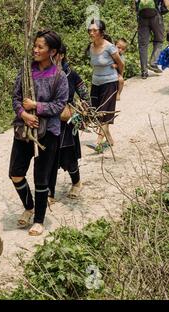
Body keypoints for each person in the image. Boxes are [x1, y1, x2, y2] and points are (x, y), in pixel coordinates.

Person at [10, 30, 69, 236]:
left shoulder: (59, 77)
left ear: (51, 51)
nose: (35, 50)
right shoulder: (26, 71)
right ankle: (29, 205)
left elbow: (60, 105)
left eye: (40, 47)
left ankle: (39, 220)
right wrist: (24, 114)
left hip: (48, 132)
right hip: (24, 129)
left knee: (41, 178)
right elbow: (16, 97)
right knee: (15, 173)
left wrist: (37, 106)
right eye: (35, 46)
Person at [48, 44, 91, 203]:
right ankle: (50, 193)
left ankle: (76, 182)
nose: (52, 56)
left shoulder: (71, 74)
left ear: (62, 55)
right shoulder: (44, 74)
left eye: (55, 53)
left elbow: (84, 94)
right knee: (49, 157)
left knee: (68, 154)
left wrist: (85, 111)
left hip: (67, 120)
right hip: (49, 119)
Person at [86, 19, 124, 153]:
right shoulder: (91, 47)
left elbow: (121, 63)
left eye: (94, 30)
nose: (91, 32)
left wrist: (120, 76)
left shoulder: (109, 47)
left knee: (103, 112)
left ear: (101, 32)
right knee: (96, 113)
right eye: (90, 30)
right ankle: (109, 140)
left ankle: (98, 142)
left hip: (109, 83)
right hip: (96, 83)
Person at [135, 0, 168, 79]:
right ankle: (153, 62)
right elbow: (166, 2)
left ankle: (144, 71)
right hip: (156, 15)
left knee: (143, 45)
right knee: (159, 40)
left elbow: (135, 3)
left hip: (142, 16)